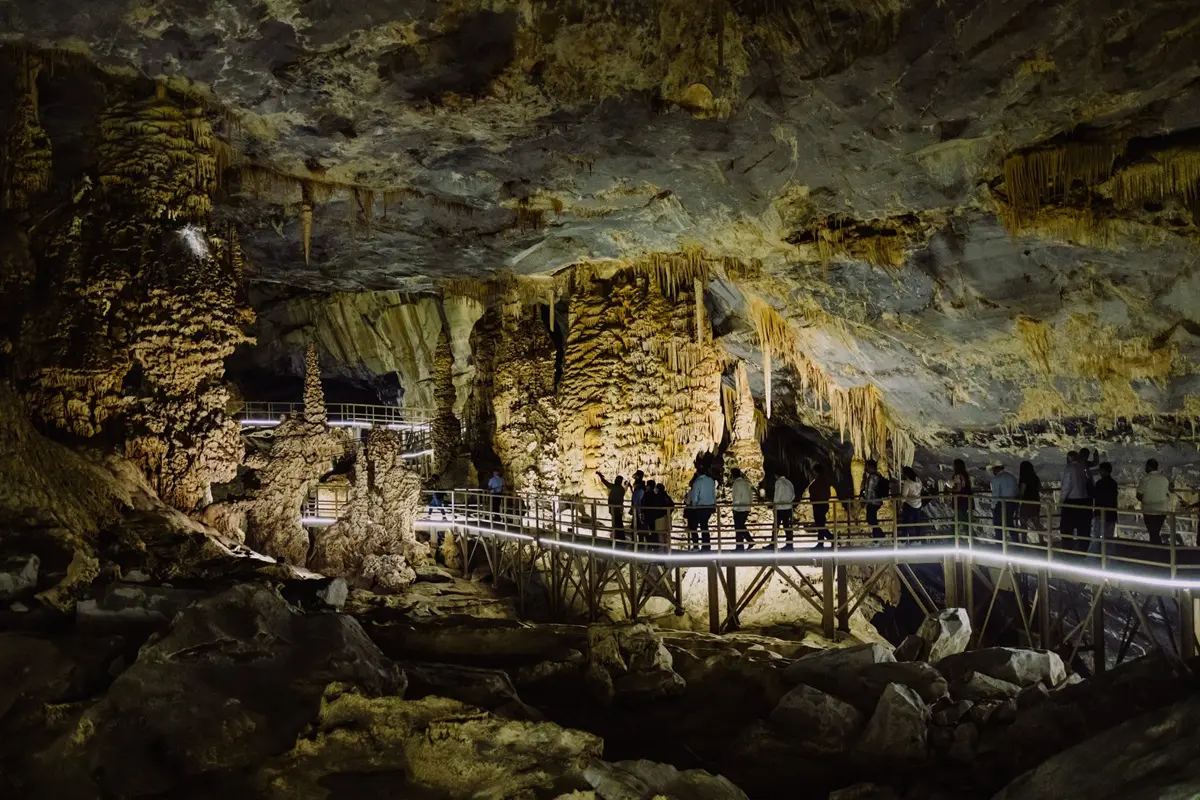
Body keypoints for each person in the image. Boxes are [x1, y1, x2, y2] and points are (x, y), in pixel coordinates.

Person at [1060, 451, 1091, 551]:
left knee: (1066, 528)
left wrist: (1061, 500)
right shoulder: (1083, 467)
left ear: (1069, 458)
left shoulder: (1069, 469)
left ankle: (1067, 549)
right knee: (1083, 528)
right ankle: (1083, 548)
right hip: (1084, 500)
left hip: (1071, 501)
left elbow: (1066, 486)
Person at [1137, 458, 1171, 547]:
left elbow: (1139, 495)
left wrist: (1146, 500)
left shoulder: (1145, 479)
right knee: (1155, 532)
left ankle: (1157, 550)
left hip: (1149, 510)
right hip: (1162, 510)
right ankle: (1156, 549)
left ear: (1148, 467)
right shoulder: (1164, 479)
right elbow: (1168, 494)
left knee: (1153, 533)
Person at [1092, 462, 1118, 555]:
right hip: (1111, 514)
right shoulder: (1113, 483)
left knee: (1096, 535)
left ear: (1103, 471)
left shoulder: (1100, 483)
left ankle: (1096, 555)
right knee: (1109, 537)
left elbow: (1095, 495)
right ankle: (1109, 556)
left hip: (1100, 513)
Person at [687, 468, 717, 550]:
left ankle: (699, 546)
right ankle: (706, 546)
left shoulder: (697, 482)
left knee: (696, 526)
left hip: (701, 507)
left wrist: (693, 505)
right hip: (710, 506)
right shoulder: (711, 480)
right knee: (704, 526)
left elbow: (695, 496)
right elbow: (713, 493)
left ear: (697, 473)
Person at [990, 464, 1019, 542]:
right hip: (1012, 503)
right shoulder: (1012, 477)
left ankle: (999, 543)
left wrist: (993, 507)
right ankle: (1016, 542)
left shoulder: (997, 479)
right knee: (1010, 523)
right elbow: (1016, 491)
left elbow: (995, 494)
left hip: (1001, 504)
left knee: (998, 524)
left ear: (995, 469)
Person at [807, 463, 833, 549]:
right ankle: (821, 543)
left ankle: (831, 538)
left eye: (814, 471)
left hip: (819, 505)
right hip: (821, 504)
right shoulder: (823, 480)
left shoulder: (820, 481)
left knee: (820, 525)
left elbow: (813, 489)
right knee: (820, 524)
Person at [860, 460, 887, 539]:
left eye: (867, 466)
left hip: (873, 502)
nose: (866, 468)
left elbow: (869, 490)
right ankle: (877, 537)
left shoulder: (872, 477)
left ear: (870, 467)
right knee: (872, 520)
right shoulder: (878, 475)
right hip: (877, 501)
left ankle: (880, 536)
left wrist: (865, 501)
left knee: (871, 520)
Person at [597, 472, 626, 544]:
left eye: (616, 480)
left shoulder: (615, 487)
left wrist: (600, 476)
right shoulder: (621, 489)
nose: (615, 481)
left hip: (615, 509)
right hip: (619, 509)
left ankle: (618, 538)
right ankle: (620, 537)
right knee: (619, 523)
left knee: (616, 523)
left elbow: (605, 483)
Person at [730, 468, 756, 551]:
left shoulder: (736, 483)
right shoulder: (746, 483)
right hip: (746, 508)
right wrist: (749, 505)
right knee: (740, 526)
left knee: (739, 527)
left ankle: (742, 545)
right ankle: (745, 544)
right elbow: (750, 495)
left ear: (733, 475)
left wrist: (734, 508)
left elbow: (736, 497)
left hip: (739, 508)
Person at [1017, 461, 1043, 533]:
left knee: (1023, 521)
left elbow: (1022, 490)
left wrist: (1018, 498)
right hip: (1036, 500)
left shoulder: (1023, 477)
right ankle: (1042, 540)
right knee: (1036, 521)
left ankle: (1024, 540)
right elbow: (1040, 488)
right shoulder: (1035, 477)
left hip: (1027, 501)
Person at [899, 467, 923, 540]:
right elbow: (920, 489)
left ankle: (904, 539)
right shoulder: (918, 480)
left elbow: (904, 496)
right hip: (918, 504)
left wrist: (900, 506)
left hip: (910, 505)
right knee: (917, 523)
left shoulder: (907, 483)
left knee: (905, 522)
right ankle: (918, 539)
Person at [773, 472, 796, 550]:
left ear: (776, 475)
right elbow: (793, 495)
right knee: (787, 526)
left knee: (776, 526)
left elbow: (777, 495)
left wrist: (774, 505)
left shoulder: (779, 482)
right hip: (788, 507)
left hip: (780, 508)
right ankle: (789, 545)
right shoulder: (789, 482)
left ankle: (773, 544)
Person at [951, 459, 972, 538]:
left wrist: (950, 489)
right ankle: (952, 538)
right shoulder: (965, 475)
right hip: (965, 500)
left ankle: (952, 539)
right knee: (961, 520)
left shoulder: (957, 476)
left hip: (959, 501)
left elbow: (958, 489)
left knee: (962, 520)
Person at [629, 471, 646, 540]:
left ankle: (636, 544)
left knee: (637, 528)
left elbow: (636, 499)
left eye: (634, 485)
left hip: (638, 511)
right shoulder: (639, 489)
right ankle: (638, 543)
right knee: (637, 528)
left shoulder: (640, 489)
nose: (634, 485)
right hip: (637, 510)